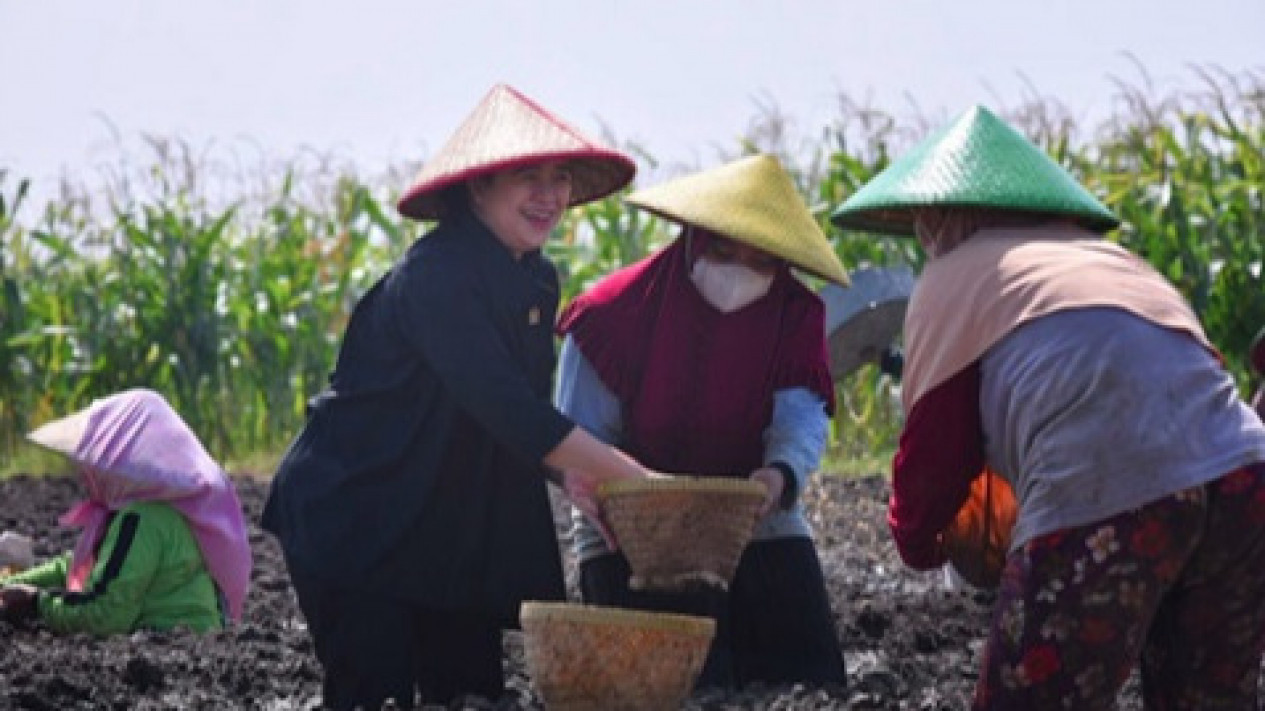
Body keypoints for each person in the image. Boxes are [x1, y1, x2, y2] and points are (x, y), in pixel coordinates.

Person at [831, 105, 1265, 708]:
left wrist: (919, 540)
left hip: (1112, 499)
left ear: (946, 216)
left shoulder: (953, 276)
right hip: (1245, 480)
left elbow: (937, 450)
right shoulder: (1117, 262)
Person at [260, 84, 662, 711]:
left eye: (559, 178)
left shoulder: (536, 277)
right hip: (358, 516)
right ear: (478, 188)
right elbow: (511, 408)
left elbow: (522, 419)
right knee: (376, 694)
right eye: (527, 176)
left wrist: (573, 477)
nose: (549, 195)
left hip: (447, 526)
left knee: (472, 693)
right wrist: (640, 480)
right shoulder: (436, 276)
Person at [555, 154, 850, 690]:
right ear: (692, 238)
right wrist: (636, 502)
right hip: (631, 524)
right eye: (724, 248)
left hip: (753, 515)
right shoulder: (611, 314)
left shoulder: (796, 315)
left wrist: (780, 474)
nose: (740, 267)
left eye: (763, 259)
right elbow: (581, 440)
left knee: (809, 680)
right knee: (672, 687)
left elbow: (800, 418)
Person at [0, 388, 252, 635]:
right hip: (195, 645)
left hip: (168, 650)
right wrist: (6, 586)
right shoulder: (171, 508)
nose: (85, 475)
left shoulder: (139, 520)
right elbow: (81, 567)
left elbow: (105, 614)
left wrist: (36, 604)